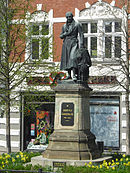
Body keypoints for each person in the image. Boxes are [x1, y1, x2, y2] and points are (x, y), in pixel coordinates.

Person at [60, 12, 84, 80]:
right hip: (66, 43)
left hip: (74, 43)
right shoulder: (64, 26)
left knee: (73, 58)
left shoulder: (77, 24)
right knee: (67, 59)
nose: (68, 18)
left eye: (70, 17)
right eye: (67, 17)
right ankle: (69, 75)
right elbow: (61, 36)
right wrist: (64, 34)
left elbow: (81, 34)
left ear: (72, 17)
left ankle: (74, 75)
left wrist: (81, 44)